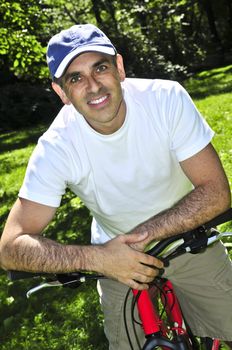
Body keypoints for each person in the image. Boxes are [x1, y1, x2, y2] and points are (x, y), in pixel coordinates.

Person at [1, 23, 232, 349]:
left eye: (100, 67)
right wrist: (100, 259)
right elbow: (10, 247)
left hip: (190, 235)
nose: (93, 86)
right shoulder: (57, 146)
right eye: (76, 78)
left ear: (119, 67)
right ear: (62, 93)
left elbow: (216, 191)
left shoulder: (165, 98)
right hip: (114, 263)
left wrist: (140, 240)